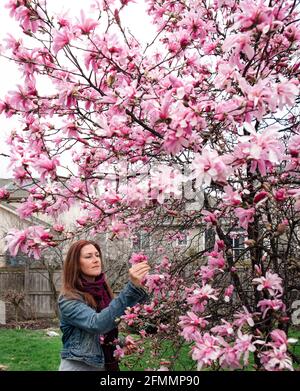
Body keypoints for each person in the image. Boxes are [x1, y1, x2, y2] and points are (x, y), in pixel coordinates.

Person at [58, 239, 150, 371]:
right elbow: (96, 324)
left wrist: (120, 341)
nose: (96, 259)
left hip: (105, 365)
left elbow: (103, 330)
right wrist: (132, 288)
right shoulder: (68, 299)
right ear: (76, 264)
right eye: (88, 256)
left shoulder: (102, 291)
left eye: (97, 255)